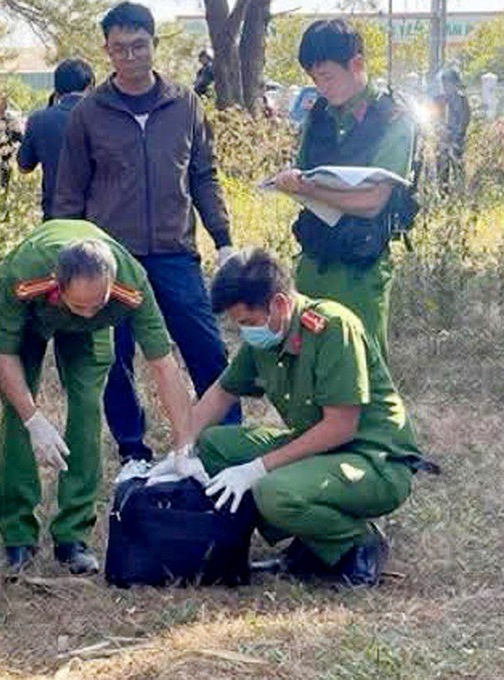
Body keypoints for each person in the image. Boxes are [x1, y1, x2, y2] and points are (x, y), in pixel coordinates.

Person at [159, 249, 432, 587]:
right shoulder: (267, 335)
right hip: (321, 450)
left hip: (373, 460)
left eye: (248, 322)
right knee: (213, 445)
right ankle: (309, 541)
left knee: (274, 491)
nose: (245, 332)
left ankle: (358, 543)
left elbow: (341, 427)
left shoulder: (333, 327)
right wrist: (180, 451)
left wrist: (257, 468)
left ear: (279, 304)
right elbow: (221, 393)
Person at [54, 1, 240, 464]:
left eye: (139, 46)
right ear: (107, 51)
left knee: (206, 349)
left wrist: (223, 239)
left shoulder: (185, 103)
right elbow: (70, 191)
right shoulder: (89, 113)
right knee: (115, 359)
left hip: (175, 253)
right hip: (110, 260)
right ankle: (133, 451)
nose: (131, 56)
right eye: (120, 48)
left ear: (154, 44)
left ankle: (225, 444)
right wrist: (65, 254)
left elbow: (203, 175)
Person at [0, 219, 192, 575]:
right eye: (80, 305)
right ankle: (17, 536)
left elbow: (163, 364)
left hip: (92, 335)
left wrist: (183, 444)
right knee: (19, 412)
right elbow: (3, 353)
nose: (87, 311)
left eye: (96, 303)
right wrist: (34, 420)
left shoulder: (132, 283)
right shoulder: (25, 273)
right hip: (32, 318)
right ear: (59, 283)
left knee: (86, 410)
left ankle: (73, 536)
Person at [271, 20, 418, 360]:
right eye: (314, 79)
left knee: (364, 365)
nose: (321, 88)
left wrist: (310, 190)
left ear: (357, 64)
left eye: (327, 77)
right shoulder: (318, 116)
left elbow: (372, 202)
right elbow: (305, 172)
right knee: (311, 362)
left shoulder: (394, 119)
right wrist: (295, 183)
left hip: (361, 268)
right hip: (314, 261)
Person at [18, 58, 95, 221]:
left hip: (55, 215)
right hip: (97, 217)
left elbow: (24, 167)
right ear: (90, 86)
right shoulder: (104, 118)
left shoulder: (39, 120)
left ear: (57, 89)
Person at [435, 67, 470, 193]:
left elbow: (464, 120)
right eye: (443, 83)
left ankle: (460, 191)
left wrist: (456, 136)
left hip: (456, 139)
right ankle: (443, 192)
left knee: (457, 165)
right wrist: (439, 130)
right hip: (441, 139)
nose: (445, 86)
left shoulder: (461, 100)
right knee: (442, 167)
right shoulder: (439, 99)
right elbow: (433, 117)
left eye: (448, 83)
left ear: (455, 84)